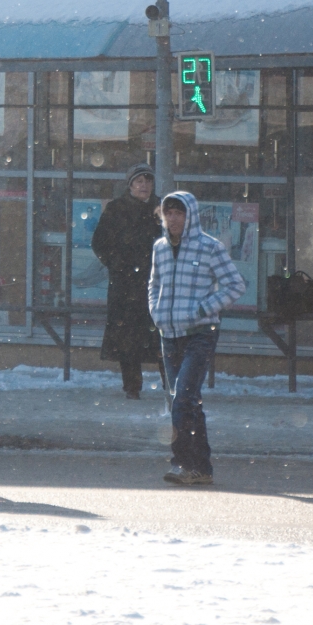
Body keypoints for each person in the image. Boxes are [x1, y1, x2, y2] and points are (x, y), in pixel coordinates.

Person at [146, 190, 246, 487]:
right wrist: (156, 312)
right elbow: (153, 284)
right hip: (169, 334)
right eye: (169, 213)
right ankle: (202, 468)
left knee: (182, 400)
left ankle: (183, 464)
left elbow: (235, 285)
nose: (173, 218)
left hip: (200, 334)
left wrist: (203, 308)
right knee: (190, 404)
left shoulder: (209, 247)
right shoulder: (160, 248)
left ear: (190, 215)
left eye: (179, 213)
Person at [91, 163, 161, 399]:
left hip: (156, 283)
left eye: (148, 181)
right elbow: (99, 242)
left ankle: (171, 384)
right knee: (128, 337)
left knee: (162, 335)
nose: (144, 185)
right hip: (125, 284)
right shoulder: (116, 209)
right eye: (139, 181)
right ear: (130, 184)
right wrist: (118, 264)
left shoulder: (161, 209)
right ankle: (132, 386)